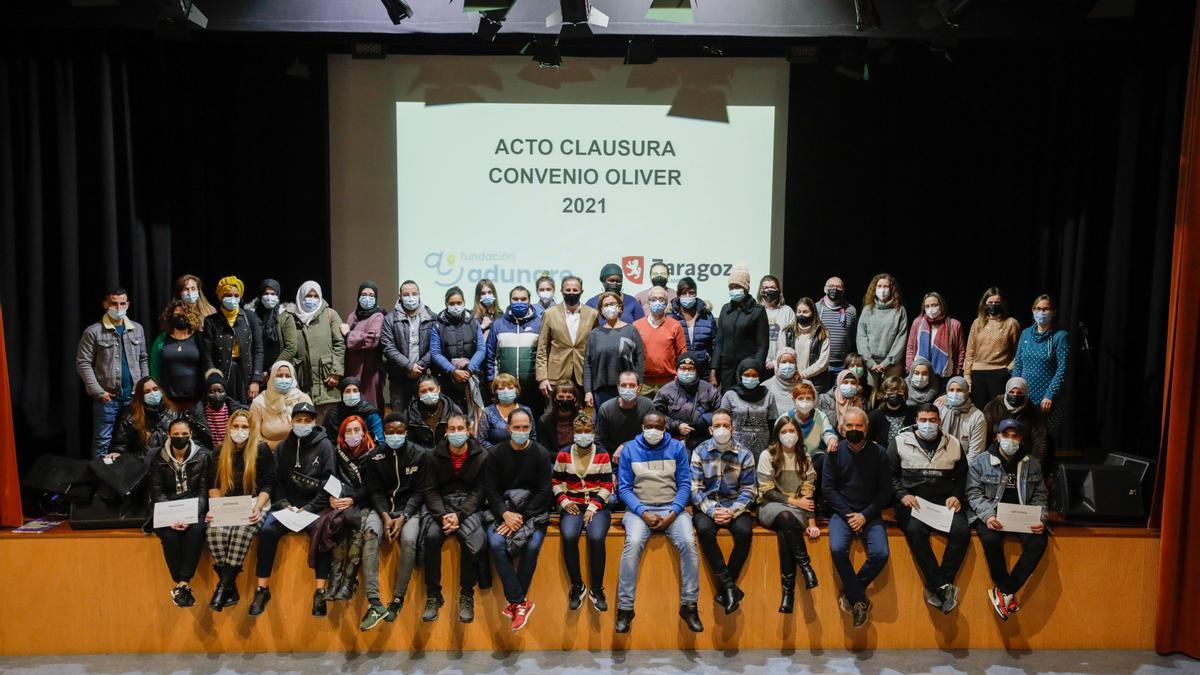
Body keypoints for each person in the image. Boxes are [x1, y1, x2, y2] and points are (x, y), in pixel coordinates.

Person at [614, 412, 703, 634]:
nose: (653, 430)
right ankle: (625, 609)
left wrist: (673, 512)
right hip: (639, 510)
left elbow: (685, 484)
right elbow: (623, 488)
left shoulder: (677, 448)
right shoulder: (630, 450)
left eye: (658, 426)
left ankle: (689, 605)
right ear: (642, 427)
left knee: (689, 544)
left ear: (664, 429)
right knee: (632, 544)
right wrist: (643, 512)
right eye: (649, 426)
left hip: (672, 508)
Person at [249, 402, 336, 617]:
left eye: (307, 420)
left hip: (315, 506)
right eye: (299, 420)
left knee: (322, 532)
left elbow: (330, 482)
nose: (303, 424)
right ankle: (262, 589)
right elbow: (276, 482)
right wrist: (285, 505)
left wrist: (309, 508)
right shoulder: (282, 447)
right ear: (291, 422)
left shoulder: (325, 446)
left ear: (314, 422)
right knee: (267, 532)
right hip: (287, 506)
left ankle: (320, 592)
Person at [888, 403, 969, 614]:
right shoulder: (899, 442)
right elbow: (889, 476)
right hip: (912, 502)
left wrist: (956, 495)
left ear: (939, 421)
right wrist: (902, 495)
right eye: (923, 420)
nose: (928, 424)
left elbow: (961, 476)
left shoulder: (953, 444)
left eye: (932, 420)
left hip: (943, 502)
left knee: (962, 531)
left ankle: (940, 585)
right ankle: (942, 587)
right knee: (916, 531)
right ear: (916, 421)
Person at [966, 418, 1049, 621]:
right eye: (1006, 435)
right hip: (993, 514)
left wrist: (1041, 518)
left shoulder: (1032, 463)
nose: (1010, 440)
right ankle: (1005, 592)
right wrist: (987, 516)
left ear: (1020, 438)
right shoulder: (981, 461)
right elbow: (974, 493)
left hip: (1022, 516)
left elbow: (1040, 496)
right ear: (998, 436)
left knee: (1039, 542)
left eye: (1014, 436)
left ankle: (1004, 590)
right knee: (991, 539)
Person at [357, 414, 429, 631]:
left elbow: (420, 492)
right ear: (384, 433)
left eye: (399, 432)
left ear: (406, 433)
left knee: (408, 540)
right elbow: (375, 491)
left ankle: (397, 599)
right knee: (370, 533)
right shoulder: (374, 457)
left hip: (410, 509)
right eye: (390, 432)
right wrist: (386, 516)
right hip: (382, 510)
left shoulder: (420, 454)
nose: (394, 436)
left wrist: (404, 517)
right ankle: (375, 603)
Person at [484, 408, 553, 631]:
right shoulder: (495, 453)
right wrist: (505, 514)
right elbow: (490, 489)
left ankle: (515, 602)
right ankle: (519, 602)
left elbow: (544, 492)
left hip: (532, 512)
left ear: (531, 428)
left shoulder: (541, 453)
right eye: (516, 428)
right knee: (495, 543)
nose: (521, 431)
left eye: (525, 428)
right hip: (503, 510)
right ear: (508, 428)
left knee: (532, 546)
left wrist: (520, 517)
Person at [822, 407, 891, 628]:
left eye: (858, 425)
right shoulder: (833, 452)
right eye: (849, 426)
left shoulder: (880, 453)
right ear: (842, 429)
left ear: (866, 428)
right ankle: (860, 599)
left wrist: (864, 515)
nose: (854, 429)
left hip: (869, 513)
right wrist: (849, 515)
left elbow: (885, 491)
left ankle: (852, 593)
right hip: (842, 514)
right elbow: (828, 488)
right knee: (837, 549)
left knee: (881, 553)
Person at [421, 413, 488, 623]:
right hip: (441, 505)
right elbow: (430, 490)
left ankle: (466, 594)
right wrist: (443, 517)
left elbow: (480, 491)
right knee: (431, 538)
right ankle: (433, 595)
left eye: (460, 428)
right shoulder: (433, 456)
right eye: (452, 429)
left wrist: (459, 516)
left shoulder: (481, 455)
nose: (456, 433)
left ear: (468, 431)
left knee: (469, 540)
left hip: (468, 506)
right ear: (446, 432)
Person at [205, 408, 274, 612]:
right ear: (229, 428)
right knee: (214, 532)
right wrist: (216, 508)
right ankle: (229, 587)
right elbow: (213, 485)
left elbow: (268, 485)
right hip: (227, 504)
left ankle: (222, 588)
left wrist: (258, 508)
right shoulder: (218, 452)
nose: (240, 430)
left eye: (244, 427)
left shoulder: (262, 449)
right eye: (236, 426)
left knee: (242, 530)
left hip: (255, 502)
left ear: (252, 429)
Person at [690, 409, 757, 614]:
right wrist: (713, 511)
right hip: (707, 505)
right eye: (717, 426)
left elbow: (749, 490)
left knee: (745, 532)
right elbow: (695, 489)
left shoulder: (745, 454)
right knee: (703, 530)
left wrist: (732, 512)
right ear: (710, 429)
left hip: (734, 504)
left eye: (725, 426)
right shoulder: (699, 452)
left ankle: (727, 586)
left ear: (732, 428)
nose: (721, 429)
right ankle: (729, 587)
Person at [758, 415, 822, 613]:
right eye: (783, 431)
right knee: (786, 518)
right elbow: (767, 490)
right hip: (770, 508)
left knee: (786, 532)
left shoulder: (805, 458)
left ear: (798, 434)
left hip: (797, 512)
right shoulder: (767, 455)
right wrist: (795, 502)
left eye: (792, 431)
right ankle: (806, 567)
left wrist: (812, 522)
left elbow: (808, 492)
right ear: (777, 435)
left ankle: (788, 593)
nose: (788, 435)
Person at [76, 286, 149, 457]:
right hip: (108, 398)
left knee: (135, 439)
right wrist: (98, 392)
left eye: (122, 304)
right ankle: (100, 478)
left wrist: (143, 387)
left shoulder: (137, 329)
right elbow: (83, 363)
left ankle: (130, 478)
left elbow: (143, 358)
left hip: (133, 397)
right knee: (103, 441)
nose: (118, 308)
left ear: (128, 304)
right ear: (105, 304)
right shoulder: (93, 331)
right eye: (113, 304)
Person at [147, 417, 212, 608]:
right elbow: (157, 493)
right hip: (166, 508)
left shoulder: (203, 456)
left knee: (197, 530)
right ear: (169, 435)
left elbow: (202, 492)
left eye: (184, 434)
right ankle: (182, 584)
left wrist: (191, 515)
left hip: (193, 507)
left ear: (191, 435)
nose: (180, 438)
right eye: (176, 435)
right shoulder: (158, 458)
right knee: (170, 535)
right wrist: (171, 518)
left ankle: (181, 584)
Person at [552, 413, 613, 612]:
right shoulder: (563, 453)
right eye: (579, 432)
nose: (583, 435)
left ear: (593, 433)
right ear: (573, 433)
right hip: (572, 503)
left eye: (587, 432)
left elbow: (607, 485)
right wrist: (564, 500)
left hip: (597, 504)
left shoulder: (603, 453)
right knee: (569, 536)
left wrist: (594, 507)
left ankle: (597, 589)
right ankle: (577, 586)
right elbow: (556, 482)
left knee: (596, 538)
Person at [315, 416, 375, 606]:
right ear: (342, 434)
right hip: (340, 500)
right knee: (337, 524)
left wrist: (354, 499)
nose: (353, 434)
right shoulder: (336, 451)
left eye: (357, 430)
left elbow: (372, 486)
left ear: (364, 432)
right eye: (348, 431)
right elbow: (327, 477)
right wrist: (331, 498)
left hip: (363, 501)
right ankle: (334, 583)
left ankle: (348, 582)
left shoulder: (373, 453)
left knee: (357, 526)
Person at [1012, 294, 1070, 444]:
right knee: (1023, 440)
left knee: (1044, 442)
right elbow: (1018, 364)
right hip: (1025, 398)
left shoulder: (1060, 336)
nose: (1041, 312)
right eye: (1038, 309)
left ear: (1054, 312)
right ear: (1032, 311)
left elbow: (1062, 369)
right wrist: (1013, 389)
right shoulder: (1025, 333)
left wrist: (1050, 395)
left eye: (1045, 309)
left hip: (1047, 400)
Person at [110, 376, 212, 461]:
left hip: (172, 461)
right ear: (140, 396)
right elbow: (120, 445)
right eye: (147, 392)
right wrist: (117, 453)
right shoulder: (130, 417)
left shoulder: (174, 411)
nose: (153, 394)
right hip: (143, 465)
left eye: (155, 389)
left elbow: (188, 437)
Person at [200, 276, 264, 406]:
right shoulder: (211, 321)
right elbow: (207, 355)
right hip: (222, 375)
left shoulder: (250, 317)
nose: (233, 298)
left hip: (245, 373)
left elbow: (258, 350)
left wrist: (256, 380)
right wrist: (214, 381)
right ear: (221, 296)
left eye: (236, 295)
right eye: (228, 295)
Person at [536, 275, 598, 400]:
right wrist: (542, 378)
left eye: (575, 290)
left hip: (582, 376)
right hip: (556, 376)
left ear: (581, 292)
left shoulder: (592, 314)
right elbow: (542, 348)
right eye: (568, 290)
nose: (571, 293)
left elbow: (595, 347)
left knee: (581, 417)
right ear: (561, 292)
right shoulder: (550, 314)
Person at [289, 281, 345, 419]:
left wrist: (336, 372)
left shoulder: (330, 314)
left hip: (327, 380)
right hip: (302, 380)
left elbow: (339, 343)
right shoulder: (291, 317)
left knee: (327, 422)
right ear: (301, 296)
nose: (312, 299)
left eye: (315, 296)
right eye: (309, 295)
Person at [381, 280, 438, 413]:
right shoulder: (390, 319)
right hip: (399, 377)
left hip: (424, 376)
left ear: (419, 295)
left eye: (414, 294)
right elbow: (388, 347)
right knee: (399, 418)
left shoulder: (432, 317)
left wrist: (421, 365)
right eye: (406, 294)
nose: (411, 297)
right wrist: (409, 366)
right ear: (399, 296)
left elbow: (435, 346)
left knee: (424, 415)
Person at [584, 291, 645, 411]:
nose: (609, 307)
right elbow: (588, 365)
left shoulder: (631, 330)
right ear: (600, 310)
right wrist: (588, 391)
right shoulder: (595, 334)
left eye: (612, 304)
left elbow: (639, 360)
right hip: (601, 392)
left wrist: (639, 384)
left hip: (627, 389)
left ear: (620, 307)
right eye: (605, 305)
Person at [485, 285, 542, 410]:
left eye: (523, 299)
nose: (519, 302)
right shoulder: (498, 324)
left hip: (532, 390)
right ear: (510, 300)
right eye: (515, 299)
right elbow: (490, 356)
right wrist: (492, 382)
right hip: (505, 389)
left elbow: (544, 356)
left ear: (529, 301)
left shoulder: (539, 324)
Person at [430, 286, 486, 413]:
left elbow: (481, 349)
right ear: (446, 304)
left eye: (459, 303)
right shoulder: (438, 324)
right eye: (452, 303)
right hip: (448, 380)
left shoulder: (473, 322)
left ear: (464, 303)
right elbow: (435, 353)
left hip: (472, 377)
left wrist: (470, 369)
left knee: (475, 418)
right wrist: (453, 371)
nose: (456, 306)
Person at [711, 265, 768, 389]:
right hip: (727, 371)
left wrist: (755, 369)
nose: (733, 290)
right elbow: (719, 342)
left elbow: (762, 346)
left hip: (748, 371)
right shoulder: (725, 309)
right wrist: (714, 369)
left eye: (737, 287)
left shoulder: (758, 311)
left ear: (746, 288)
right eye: (731, 287)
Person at [964, 287, 1021, 410]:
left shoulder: (1011, 323)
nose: (993, 305)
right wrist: (967, 375)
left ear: (1002, 304)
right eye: (990, 303)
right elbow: (970, 351)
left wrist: (1008, 370)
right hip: (977, 374)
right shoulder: (977, 323)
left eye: (997, 303)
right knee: (979, 410)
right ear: (984, 304)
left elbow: (1019, 352)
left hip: (999, 373)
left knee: (998, 411)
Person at [654, 352, 722, 450]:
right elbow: (656, 415)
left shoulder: (709, 390)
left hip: (703, 441)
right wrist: (676, 426)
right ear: (677, 370)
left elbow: (720, 412)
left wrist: (703, 421)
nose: (686, 372)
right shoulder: (665, 390)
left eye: (690, 369)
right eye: (683, 368)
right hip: (672, 440)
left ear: (696, 371)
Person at [856, 273, 908, 397]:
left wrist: (886, 363)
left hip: (892, 364)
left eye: (886, 286)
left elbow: (901, 339)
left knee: (890, 396)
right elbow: (861, 337)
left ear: (892, 289)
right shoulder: (868, 310)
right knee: (870, 399)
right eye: (879, 286)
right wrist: (870, 363)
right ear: (874, 289)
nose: (882, 290)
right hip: (871, 364)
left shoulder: (900, 310)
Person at [786, 380, 840, 495]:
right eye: (800, 398)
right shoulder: (786, 418)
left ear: (814, 400)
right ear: (794, 400)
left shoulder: (819, 415)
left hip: (814, 455)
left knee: (827, 458)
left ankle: (822, 496)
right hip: (793, 456)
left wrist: (832, 440)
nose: (804, 402)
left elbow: (827, 431)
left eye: (808, 398)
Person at [719, 359, 779, 459]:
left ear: (759, 376)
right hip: (735, 447)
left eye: (754, 375)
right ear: (740, 375)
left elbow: (772, 422)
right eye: (747, 375)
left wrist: (772, 445)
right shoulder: (730, 395)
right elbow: (723, 421)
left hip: (762, 447)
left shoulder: (768, 395)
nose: (750, 378)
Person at [341, 281, 388, 408]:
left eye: (371, 295)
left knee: (371, 404)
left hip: (370, 369)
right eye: (364, 294)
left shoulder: (378, 315)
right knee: (352, 403)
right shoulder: (353, 315)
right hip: (352, 368)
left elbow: (371, 339)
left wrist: (348, 335)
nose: (367, 298)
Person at [149, 300, 204, 408]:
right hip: (168, 402)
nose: (180, 317)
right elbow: (154, 368)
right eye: (176, 314)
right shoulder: (161, 339)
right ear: (170, 317)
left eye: (184, 314)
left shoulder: (200, 338)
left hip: (196, 402)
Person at [633, 285, 687, 395]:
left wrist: (679, 377)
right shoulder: (636, 326)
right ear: (648, 302)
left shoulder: (675, 326)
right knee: (644, 412)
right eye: (653, 299)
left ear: (667, 303)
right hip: (643, 382)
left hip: (669, 382)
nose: (657, 302)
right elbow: (631, 355)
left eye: (661, 299)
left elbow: (682, 354)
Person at [982, 377, 1049, 461]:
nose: (1015, 395)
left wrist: (1034, 464)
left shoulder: (1033, 411)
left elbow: (1040, 441)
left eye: (1019, 393)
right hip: (995, 454)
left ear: (1025, 393)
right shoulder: (993, 407)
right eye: (1012, 392)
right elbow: (984, 435)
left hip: (1024, 456)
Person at [250, 361, 313, 449]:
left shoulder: (302, 399)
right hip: (268, 455)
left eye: (288, 376)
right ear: (271, 377)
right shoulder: (259, 402)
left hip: (299, 452)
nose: (284, 379)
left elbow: (311, 433)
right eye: (279, 376)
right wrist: (279, 448)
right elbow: (254, 437)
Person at [596, 371, 655, 463]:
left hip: (642, 454)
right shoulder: (606, 408)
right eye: (623, 385)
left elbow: (651, 435)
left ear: (639, 388)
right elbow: (600, 441)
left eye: (632, 385)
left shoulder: (648, 405)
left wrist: (626, 445)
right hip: (614, 458)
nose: (627, 389)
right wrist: (607, 467)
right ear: (618, 387)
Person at [244, 279, 298, 380]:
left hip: (280, 372)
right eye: (266, 293)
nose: (269, 297)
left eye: (273, 294)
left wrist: (271, 371)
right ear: (260, 294)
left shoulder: (285, 316)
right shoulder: (250, 315)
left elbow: (291, 347)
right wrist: (257, 373)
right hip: (255, 373)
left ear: (278, 295)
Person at [906, 291, 966, 378]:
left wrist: (957, 373)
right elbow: (910, 347)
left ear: (941, 306)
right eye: (927, 306)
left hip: (946, 374)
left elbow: (961, 351)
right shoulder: (918, 323)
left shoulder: (954, 324)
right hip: (920, 374)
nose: (931, 309)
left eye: (934, 305)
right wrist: (910, 368)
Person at [669, 277, 717, 381]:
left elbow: (714, 346)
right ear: (678, 295)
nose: (688, 296)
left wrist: (713, 373)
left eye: (691, 293)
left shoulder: (707, 315)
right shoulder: (671, 316)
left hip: (703, 372)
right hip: (679, 371)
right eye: (684, 293)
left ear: (696, 294)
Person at [814, 276, 858, 385]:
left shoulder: (851, 310)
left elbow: (853, 336)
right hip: (820, 364)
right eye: (831, 286)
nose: (835, 289)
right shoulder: (815, 308)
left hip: (842, 365)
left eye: (838, 287)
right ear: (825, 289)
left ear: (843, 290)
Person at [781, 297, 831, 392]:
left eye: (805, 312)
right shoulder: (787, 332)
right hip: (792, 381)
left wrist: (802, 374)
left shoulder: (822, 333)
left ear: (813, 313)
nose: (801, 314)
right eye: (799, 311)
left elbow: (823, 362)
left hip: (815, 383)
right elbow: (782, 356)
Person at [477, 373, 537, 446]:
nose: (506, 391)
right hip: (495, 455)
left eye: (510, 388)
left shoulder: (526, 410)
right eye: (501, 388)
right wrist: (496, 453)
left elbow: (532, 437)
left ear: (516, 390)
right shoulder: (488, 412)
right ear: (495, 391)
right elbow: (481, 440)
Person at [322, 376, 385, 443]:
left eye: (355, 391)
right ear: (342, 394)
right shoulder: (333, 415)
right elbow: (328, 441)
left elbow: (380, 441)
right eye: (347, 391)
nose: (351, 394)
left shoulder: (371, 413)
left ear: (360, 393)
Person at [938, 376, 987, 461]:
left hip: (964, 466)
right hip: (938, 462)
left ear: (967, 392)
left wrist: (962, 470)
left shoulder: (977, 416)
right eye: (951, 390)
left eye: (959, 390)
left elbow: (975, 453)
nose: (955, 393)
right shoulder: (939, 407)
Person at [406, 375, 463, 448]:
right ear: (418, 394)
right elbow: (411, 443)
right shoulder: (411, 412)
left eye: (431, 389)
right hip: (422, 456)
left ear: (439, 388)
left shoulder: (452, 409)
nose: (428, 393)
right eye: (423, 391)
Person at [758, 275, 795, 374]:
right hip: (759, 363)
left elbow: (792, 341)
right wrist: (766, 361)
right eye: (766, 288)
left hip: (782, 365)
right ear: (761, 291)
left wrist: (779, 360)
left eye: (773, 287)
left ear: (778, 290)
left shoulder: (788, 311)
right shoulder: (755, 310)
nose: (769, 290)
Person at [198, 371, 244, 448]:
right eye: (212, 392)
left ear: (226, 392)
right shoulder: (198, 414)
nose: (217, 395)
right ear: (206, 394)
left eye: (220, 391)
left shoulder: (236, 411)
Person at [867, 376, 915, 450]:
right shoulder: (875, 415)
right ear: (885, 393)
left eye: (899, 391)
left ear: (904, 394)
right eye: (891, 391)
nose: (895, 394)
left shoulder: (911, 414)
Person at [538, 380, 582, 455]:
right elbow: (544, 450)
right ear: (555, 398)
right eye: (561, 397)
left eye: (568, 397)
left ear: (574, 398)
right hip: (554, 459)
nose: (565, 400)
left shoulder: (581, 419)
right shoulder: (545, 420)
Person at [473, 278, 501, 345]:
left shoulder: (500, 315)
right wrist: (482, 327)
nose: (487, 296)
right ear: (478, 296)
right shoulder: (473, 316)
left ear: (494, 293)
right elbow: (469, 340)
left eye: (489, 292)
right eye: (483, 293)